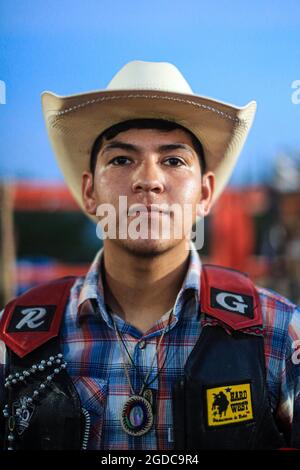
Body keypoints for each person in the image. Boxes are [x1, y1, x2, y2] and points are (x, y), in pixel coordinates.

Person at [0, 60, 299, 451]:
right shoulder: (13, 341)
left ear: (205, 194)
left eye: (173, 161)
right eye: (121, 159)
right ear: (90, 191)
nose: (149, 180)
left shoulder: (278, 335)